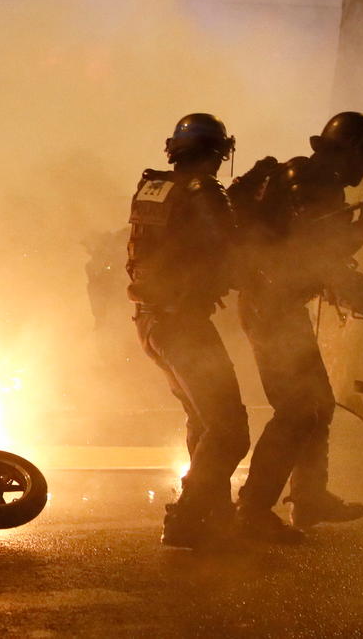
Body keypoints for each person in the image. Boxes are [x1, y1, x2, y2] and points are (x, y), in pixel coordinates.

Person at [229, 112, 363, 540]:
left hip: (276, 304)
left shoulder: (311, 177)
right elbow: (311, 250)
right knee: (298, 410)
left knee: (315, 404)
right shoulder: (312, 181)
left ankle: (309, 496)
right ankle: (253, 509)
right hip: (271, 307)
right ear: (350, 149)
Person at [127, 113, 249, 548]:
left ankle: (213, 517)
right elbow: (231, 251)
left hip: (151, 321)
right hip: (183, 324)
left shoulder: (154, 187)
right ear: (218, 152)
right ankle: (188, 516)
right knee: (231, 429)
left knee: (203, 421)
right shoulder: (203, 193)